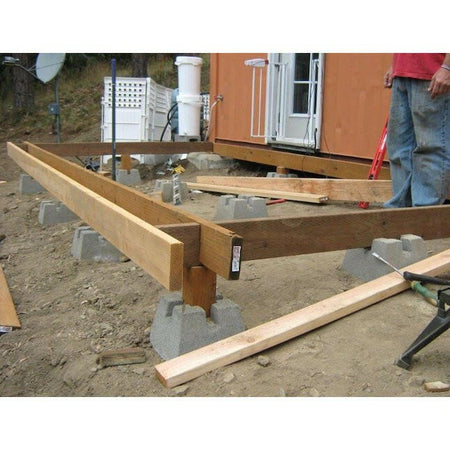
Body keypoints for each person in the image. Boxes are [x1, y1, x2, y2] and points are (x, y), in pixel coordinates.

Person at [383, 53, 450, 207]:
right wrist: (397, 65)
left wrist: (447, 67)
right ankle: (401, 212)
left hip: (433, 72)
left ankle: (423, 214)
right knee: (399, 150)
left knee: (431, 149)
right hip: (403, 72)